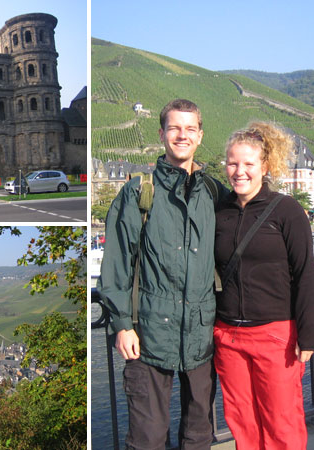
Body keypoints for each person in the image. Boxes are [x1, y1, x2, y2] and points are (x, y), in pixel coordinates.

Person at [98, 99, 227, 450]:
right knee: (148, 439)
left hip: (201, 337)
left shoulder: (214, 193)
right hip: (148, 337)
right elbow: (116, 263)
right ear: (161, 134)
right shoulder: (139, 191)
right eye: (174, 128)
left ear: (200, 135)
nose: (181, 135)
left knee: (199, 436)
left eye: (189, 129)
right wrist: (123, 325)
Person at [213, 122, 314, 450]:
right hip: (228, 337)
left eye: (248, 164)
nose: (239, 171)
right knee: (242, 421)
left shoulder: (286, 211)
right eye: (232, 163)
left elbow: (304, 274)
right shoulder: (219, 212)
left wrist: (309, 335)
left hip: (276, 336)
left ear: (265, 167)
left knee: (281, 422)